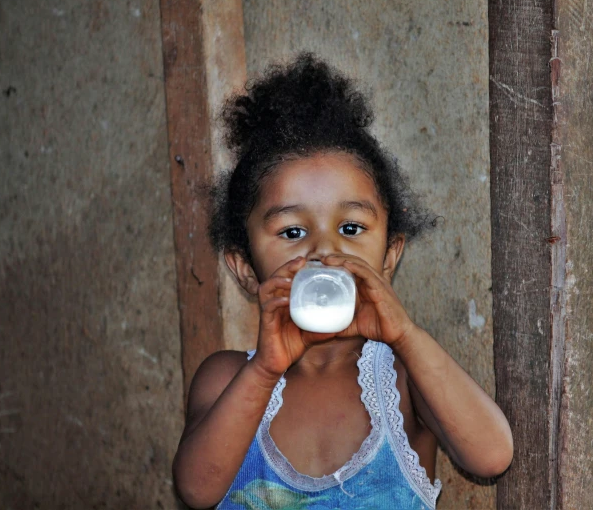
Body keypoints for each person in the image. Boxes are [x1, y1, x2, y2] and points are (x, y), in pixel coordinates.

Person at [172, 53, 513, 510]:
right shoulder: (226, 379)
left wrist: (405, 336)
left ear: (390, 255)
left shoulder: (404, 380)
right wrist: (264, 370)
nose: (323, 251)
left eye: (351, 228)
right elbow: (196, 490)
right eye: (292, 232)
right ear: (245, 268)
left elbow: (492, 456)